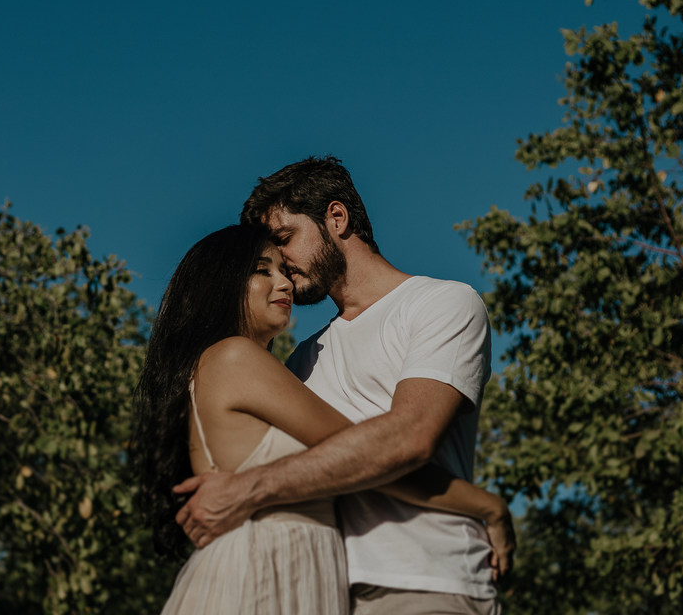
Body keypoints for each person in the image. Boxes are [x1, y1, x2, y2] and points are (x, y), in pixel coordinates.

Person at [173, 157, 510, 615]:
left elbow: (409, 438)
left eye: (285, 239)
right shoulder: (299, 361)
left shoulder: (440, 304)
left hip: (421, 579)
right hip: (319, 589)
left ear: (336, 218)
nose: (283, 266)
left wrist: (246, 489)